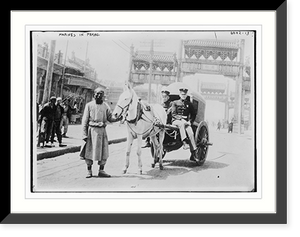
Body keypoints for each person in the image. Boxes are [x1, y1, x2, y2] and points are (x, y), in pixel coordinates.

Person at [81, 88, 122, 178]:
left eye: (101, 94)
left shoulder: (105, 106)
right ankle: (89, 171)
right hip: (91, 131)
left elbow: (110, 118)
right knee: (89, 152)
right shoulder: (89, 105)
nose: (99, 96)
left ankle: (101, 170)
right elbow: (84, 121)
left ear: (104, 96)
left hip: (102, 132)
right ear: (94, 95)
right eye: (97, 94)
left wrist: (118, 118)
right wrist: (84, 134)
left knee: (104, 152)